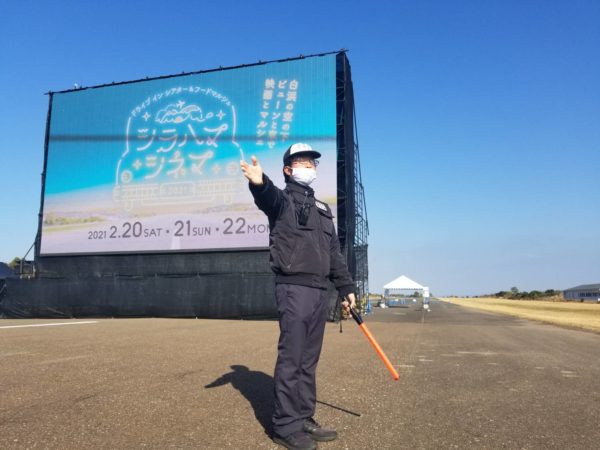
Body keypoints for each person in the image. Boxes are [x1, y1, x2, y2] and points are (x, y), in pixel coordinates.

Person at [240, 143, 357, 450]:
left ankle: (303, 417)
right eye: (302, 161)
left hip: (319, 291)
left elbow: (334, 255)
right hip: (294, 289)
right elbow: (267, 196)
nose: (309, 166)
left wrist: (346, 289)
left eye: (312, 162)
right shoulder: (283, 201)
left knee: (308, 360)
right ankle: (284, 426)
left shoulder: (323, 210)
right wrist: (259, 182)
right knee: (292, 358)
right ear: (288, 170)